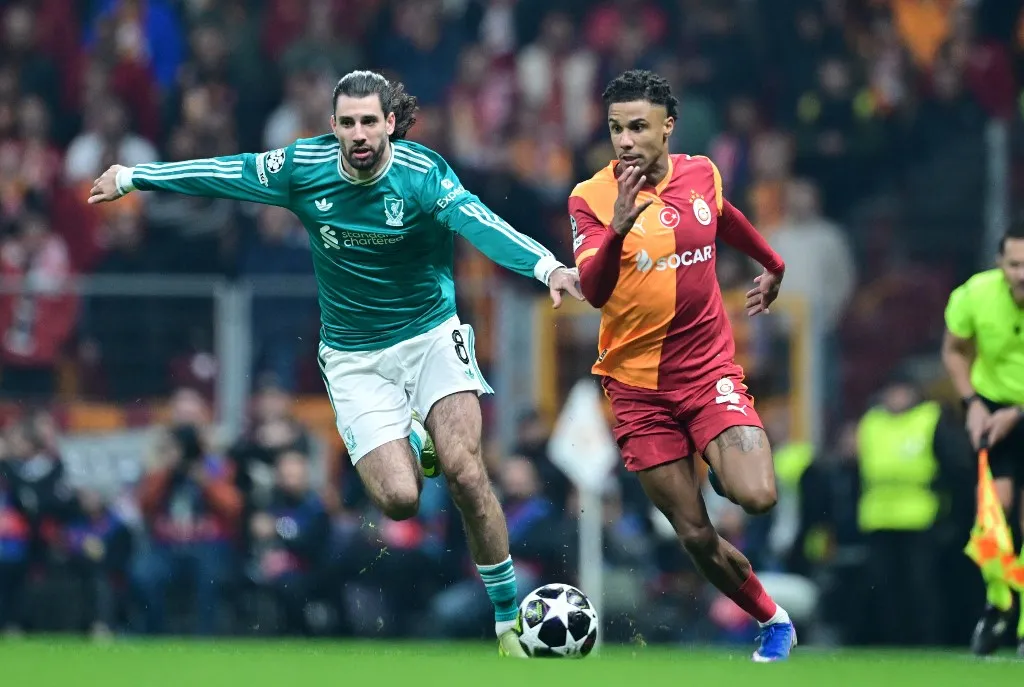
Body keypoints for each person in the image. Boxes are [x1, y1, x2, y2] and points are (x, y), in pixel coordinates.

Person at [88, 70, 583, 656]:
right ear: (333, 127)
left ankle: (507, 620)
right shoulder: (304, 169)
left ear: (390, 123)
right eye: (347, 123)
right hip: (354, 358)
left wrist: (545, 266)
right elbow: (226, 172)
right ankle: (411, 428)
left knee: (466, 470)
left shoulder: (422, 175)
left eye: (369, 121)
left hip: (429, 336)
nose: (359, 133)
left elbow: (478, 221)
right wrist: (135, 176)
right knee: (398, 499)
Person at [568, 70, 795, 662]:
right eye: (616, 128)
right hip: (636, 391)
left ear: (667, 127)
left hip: (705, 371)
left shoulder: (702, 173)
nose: (625, 140)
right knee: (695, 533)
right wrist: (617, 226)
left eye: (638, 126)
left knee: (759, 496)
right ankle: (773, 619)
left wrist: (772, 263)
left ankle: (719, 455)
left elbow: (722, 216)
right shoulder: (590, 199)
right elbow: (592, 290)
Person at [942, 220, 1024, 657]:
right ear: (999, 263)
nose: (1022, 274)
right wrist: (971, 402)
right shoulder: (975, 295)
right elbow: (954, 349)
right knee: (994, 513)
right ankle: (1000, 606)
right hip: (994, 409)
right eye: (1014, 264)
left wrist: (1018, 412)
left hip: (1017, 410)